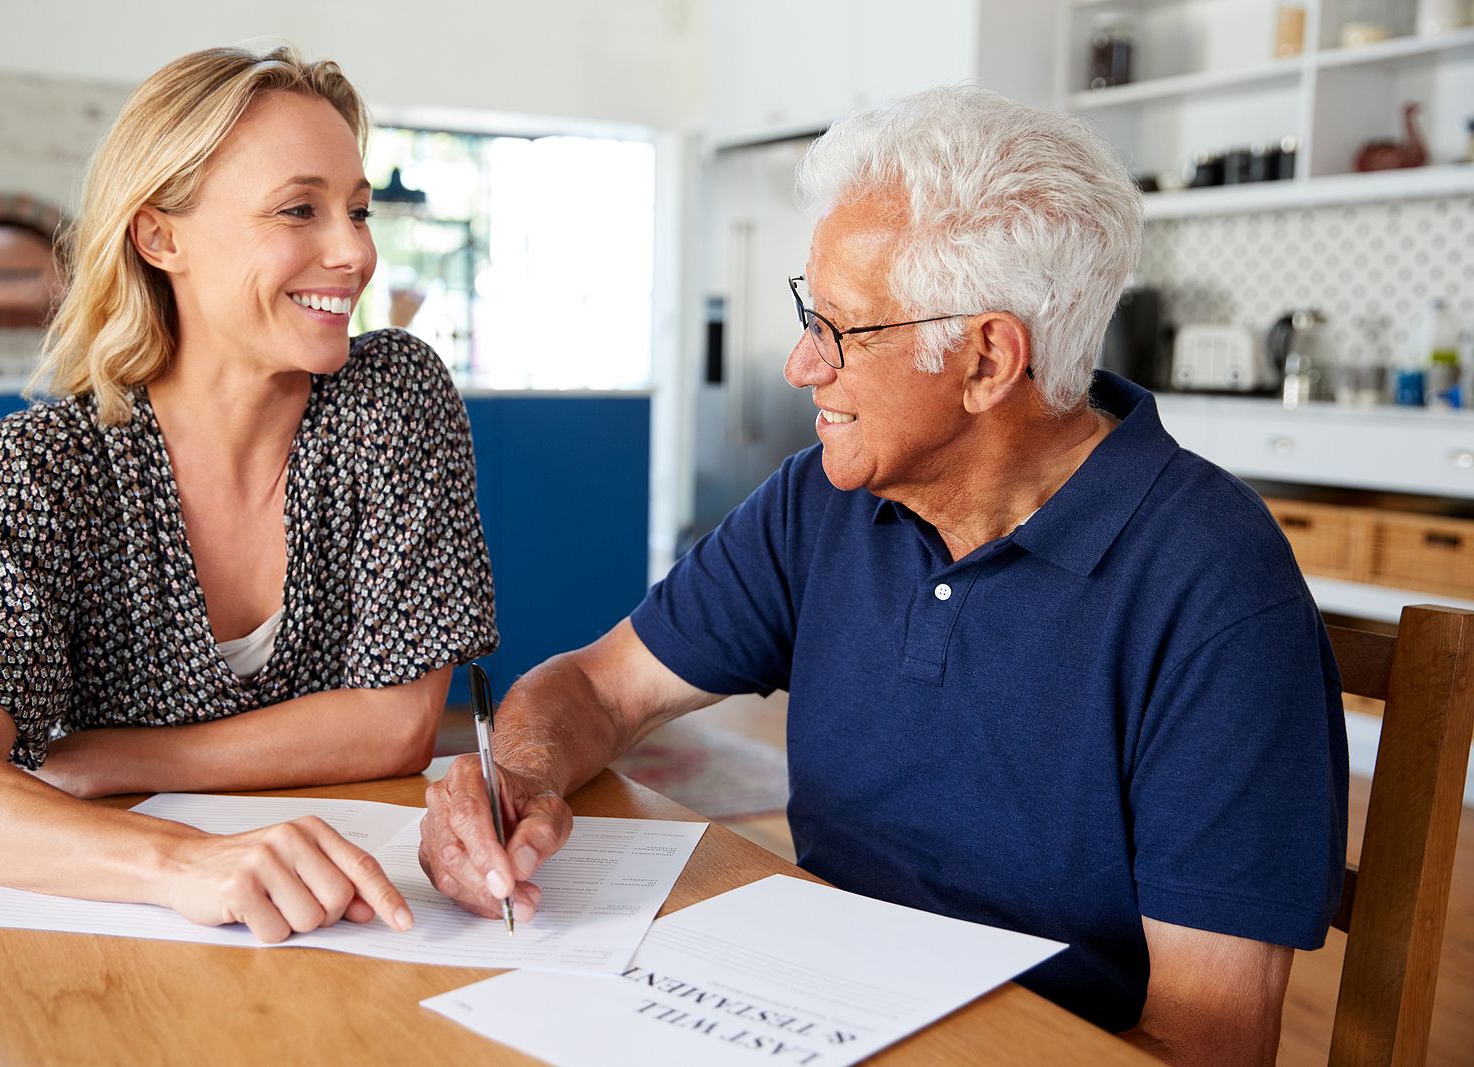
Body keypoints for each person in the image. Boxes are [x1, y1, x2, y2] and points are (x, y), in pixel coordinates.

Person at [419, 86, 1345, 1066]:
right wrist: (514, 779)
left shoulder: (1214, 588)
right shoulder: (818, 502)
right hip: (797, 1007)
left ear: (988, 357)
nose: (797, 363)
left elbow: (1209, 1041)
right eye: (804, 311)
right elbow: (598, 685)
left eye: (840, 329)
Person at [0, 46, 498, 944]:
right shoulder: (44, 469)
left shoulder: (389, 398)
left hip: (351, 927)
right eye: (300, 209)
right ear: (160, 236)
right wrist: (184, 861)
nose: (355, 250)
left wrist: (107, 758)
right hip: (115, 945)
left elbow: (398, 722)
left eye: (357, 211)